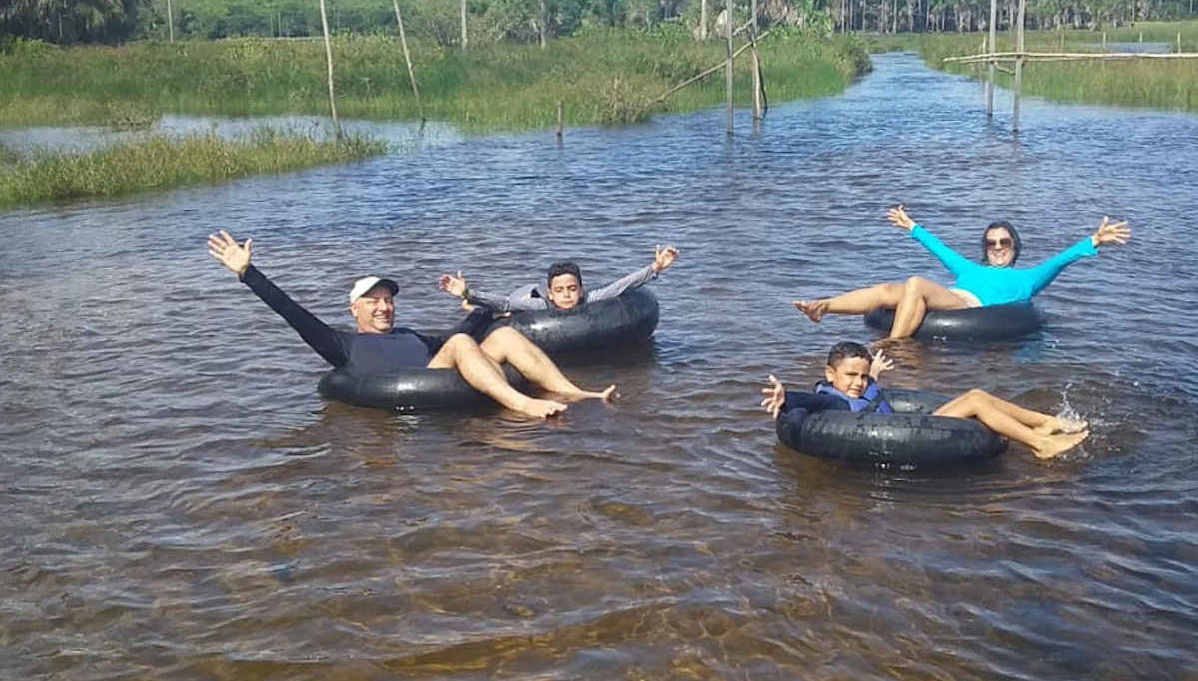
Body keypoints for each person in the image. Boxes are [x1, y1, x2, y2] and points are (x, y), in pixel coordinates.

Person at [207, 230, 615, 418]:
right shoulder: (341, 345)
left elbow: (460, 336)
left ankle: (579, 393)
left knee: (503, 334)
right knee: (457, 347)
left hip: (441, 374)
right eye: (374, 302)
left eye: (388, 300)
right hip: (419, 388)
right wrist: (249, 274)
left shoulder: (409, 336)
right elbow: (293, 313)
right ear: (355, 309)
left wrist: (482, 306)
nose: (384, 307)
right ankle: (524, 405)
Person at [794, 206, 1131, 339]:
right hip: (952, 297)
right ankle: (824, 307)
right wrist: (911, 225)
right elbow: (940, 248)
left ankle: (893, 346)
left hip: (970, 309)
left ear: (1015, 246)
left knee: (915, 283)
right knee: (887, 290)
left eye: (1004, 242)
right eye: (991, 243)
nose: (997, 247)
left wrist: (1094, 240)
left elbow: (1061, 260)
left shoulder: (1028, 277)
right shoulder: (969, 268)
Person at [760, 341, 1089, 459]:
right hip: (908, 434)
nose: (858, 383)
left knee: (980, 396)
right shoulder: (832, 401)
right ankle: (1039, 442)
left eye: (862, 376)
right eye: (850, 376)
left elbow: (870, 393)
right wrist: (786, 396)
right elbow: (812, 402)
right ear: (830, 374)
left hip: (912, 426)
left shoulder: (861, 387)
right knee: (974, 399)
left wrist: (872, 375)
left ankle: (1046, 423)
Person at [438, 245, 679, 313]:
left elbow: (619, 286)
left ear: (581, 290)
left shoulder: (588, 298)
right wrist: (469, 294)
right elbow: (506, 303)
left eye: (572, 289)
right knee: (502, 312)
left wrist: (655, 267)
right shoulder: (541, 304)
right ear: (551, 293)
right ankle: (468, 306)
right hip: (522, 296)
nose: (566, 295)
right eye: (560, 290)